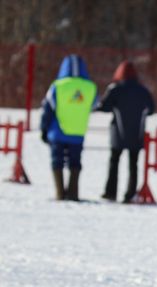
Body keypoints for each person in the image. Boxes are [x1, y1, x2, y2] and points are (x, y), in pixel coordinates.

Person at [95, 60, 155, 203]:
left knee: (114, 161)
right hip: (136, 133)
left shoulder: (115, 89)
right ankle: (130, 194)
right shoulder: (142, 90)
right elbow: (151, 109)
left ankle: (111, 192)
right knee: (133, 164)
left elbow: (105, 107)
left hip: (118, 133)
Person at [40, 54, 97, 201]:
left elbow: (47, 109)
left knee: (57, 160)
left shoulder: (58, 86)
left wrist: (44, 128)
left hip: (57, 131)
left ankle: (60, 193)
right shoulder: (90, 87)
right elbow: (94, 105)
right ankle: (73, 193)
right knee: (75, 161)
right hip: (78, 132)